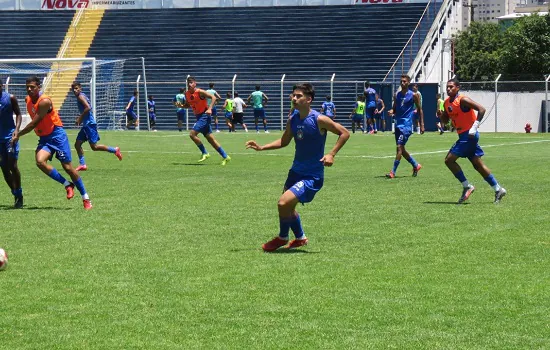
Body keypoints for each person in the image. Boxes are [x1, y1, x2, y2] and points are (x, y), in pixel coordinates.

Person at [246, 83, 350, 252]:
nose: (294, 98)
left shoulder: (319, 119)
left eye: (299, 96)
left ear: (309, 100)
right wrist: (262, 147)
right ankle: (300, 238)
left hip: (312, 176)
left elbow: (344, 133)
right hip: (295, 172)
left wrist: (331, 154)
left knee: (282, 203)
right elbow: (284, 141)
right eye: (293, 95)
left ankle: (282, 237)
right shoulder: (293, 119)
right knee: (288, 207)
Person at [11, 76, 92, 209]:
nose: (29, 89)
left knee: (68, 168)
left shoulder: (45, 101)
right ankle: (67, 184)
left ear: (39, 87)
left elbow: (33, 124)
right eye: (27, 87)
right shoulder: (28, 100)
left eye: (32, 87)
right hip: (45, 138)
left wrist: (18, 135)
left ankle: (86, 198)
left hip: (57, 136)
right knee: (40, 161)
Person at [440, 78, 507, 204]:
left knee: (449, 160)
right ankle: (498, 189)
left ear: (458, 88)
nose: (448, 89)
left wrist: (474, 127)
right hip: (463, 136)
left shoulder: (463, 100)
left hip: (469, 135)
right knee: (477, 165)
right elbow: (445, 121)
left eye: (451, 87)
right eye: (447, 87)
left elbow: (481, 109)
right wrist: (441, 115)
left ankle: (467, 186)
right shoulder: (447, 103)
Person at [71, 82, 122, 172]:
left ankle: (115, 150)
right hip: (86, 125)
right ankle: (83, 165)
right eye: (73, 89)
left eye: (76, 88)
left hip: (89, 124)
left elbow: (88, 107)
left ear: (80, 88)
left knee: (94, 147)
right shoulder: (82, 95)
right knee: (77, 144)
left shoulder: (80, 97)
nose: (75, 90)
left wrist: (80, 118)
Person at [184, 76, 231, 165]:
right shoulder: (187, 94)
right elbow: (188, 105)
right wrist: (181, 106)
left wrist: (210, 109)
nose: (189, 84)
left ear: (195, 84)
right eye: (188, 83)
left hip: (204, 116)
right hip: (199, 117)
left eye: (191, 82)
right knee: (210, 139)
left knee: (192, 134)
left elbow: (213, 97)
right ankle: (226, 156)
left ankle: (205, 152)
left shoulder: (200, 92)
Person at [386, 75, 424, 179]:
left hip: (406, 126)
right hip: (398, 124)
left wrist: (422, 124)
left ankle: (392, 172)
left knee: (399, 147)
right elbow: (395, 109)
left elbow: (420, 109)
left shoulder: (413, 95)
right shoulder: (397, 95)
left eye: (404, 81)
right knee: (400, 149)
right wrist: (392, 111)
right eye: (401, 81)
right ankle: (416, 165)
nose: (402, 83)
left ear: (408, 83)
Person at [0, 79, 23, 208]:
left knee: (12, 165)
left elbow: (18, 114)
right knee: (3, 167)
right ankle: (15, 193)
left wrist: (16, 130)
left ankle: (19, 195)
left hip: (10, 137)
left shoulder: (10, 98)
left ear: (1, 86)